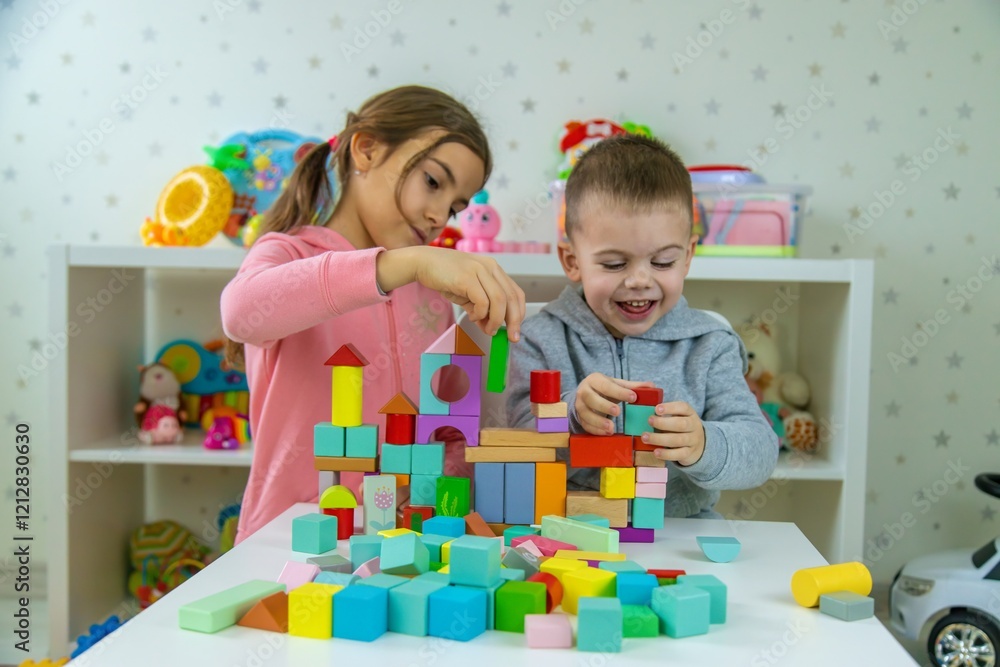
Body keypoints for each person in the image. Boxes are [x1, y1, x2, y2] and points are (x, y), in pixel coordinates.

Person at [222, 85, 526, 542]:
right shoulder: (287, 253)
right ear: (366, 149)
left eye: (457, 206)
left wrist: (447, 484)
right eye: (433, 181)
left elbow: (444, 427)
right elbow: (242, 314)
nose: (439, 214)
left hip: (397, 543)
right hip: (285, 539)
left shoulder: (430, 294)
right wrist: (407, 263)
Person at [506, 134, 778, 518]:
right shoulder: (539, 338)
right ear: (572, 262)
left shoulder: (708, 344)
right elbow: (516, 437)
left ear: (687, 257)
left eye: (663, 262)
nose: (639, 280)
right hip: (568, 530)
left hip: (680, 530)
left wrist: (702, 444)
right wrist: (570, 414)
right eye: (615, 264)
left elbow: (760, 449)